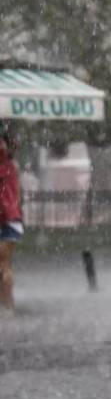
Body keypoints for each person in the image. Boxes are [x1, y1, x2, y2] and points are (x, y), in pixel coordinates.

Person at [0, 131, 22, 312]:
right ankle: (8, 304)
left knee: (3, 265)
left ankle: (7, 306)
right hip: (12, 217)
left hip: (6, 218)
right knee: (4, 265)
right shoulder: (11, 167)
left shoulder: (6, 166)